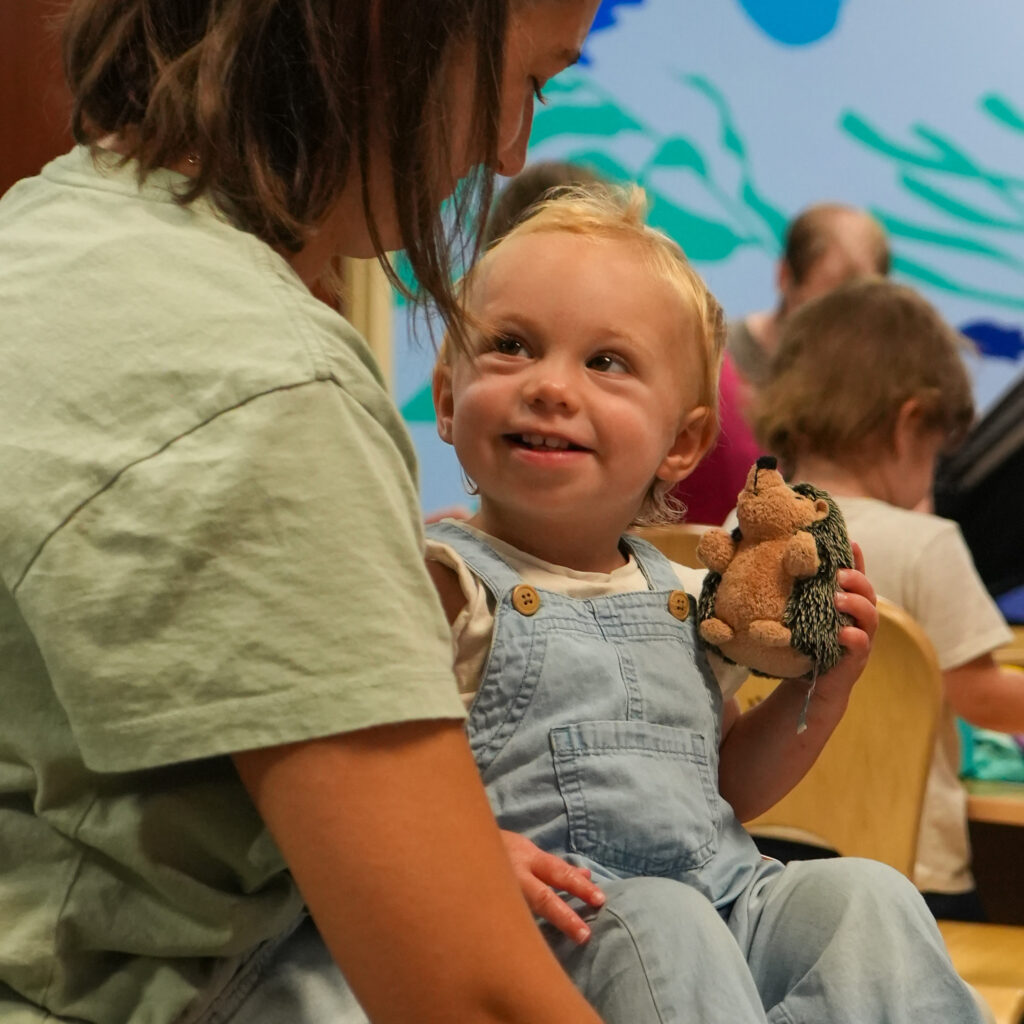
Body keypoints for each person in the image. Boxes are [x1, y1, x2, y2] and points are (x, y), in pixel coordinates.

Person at [0, 2, 607, 1023]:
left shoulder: (41, 238)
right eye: (529, 81)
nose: (510, 148)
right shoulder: (263, 383)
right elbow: (473, 998)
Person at [424, 185, 982, 1022]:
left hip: (726, 898)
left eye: (604, 362)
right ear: (445, 397)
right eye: (511, 346)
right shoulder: (442, 583)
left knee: (868, 898)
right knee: (666, 921)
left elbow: (719, 788)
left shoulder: (681, 595)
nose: (550, 386)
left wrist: (815, 692)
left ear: (681, 444)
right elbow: (374, 789)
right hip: (550, 937)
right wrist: (462, 853)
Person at [752, 277, 1022, 922]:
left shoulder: (750, 535)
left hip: (759, 862)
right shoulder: (928, 544)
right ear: (910, 424)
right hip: (908, 881)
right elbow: (979, 696)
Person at [729, 202, 891, 394]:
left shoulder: (870, 393)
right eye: (826, 311)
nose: (841, 331)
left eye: (858, 313)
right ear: (784, 276)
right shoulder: (713, 359)